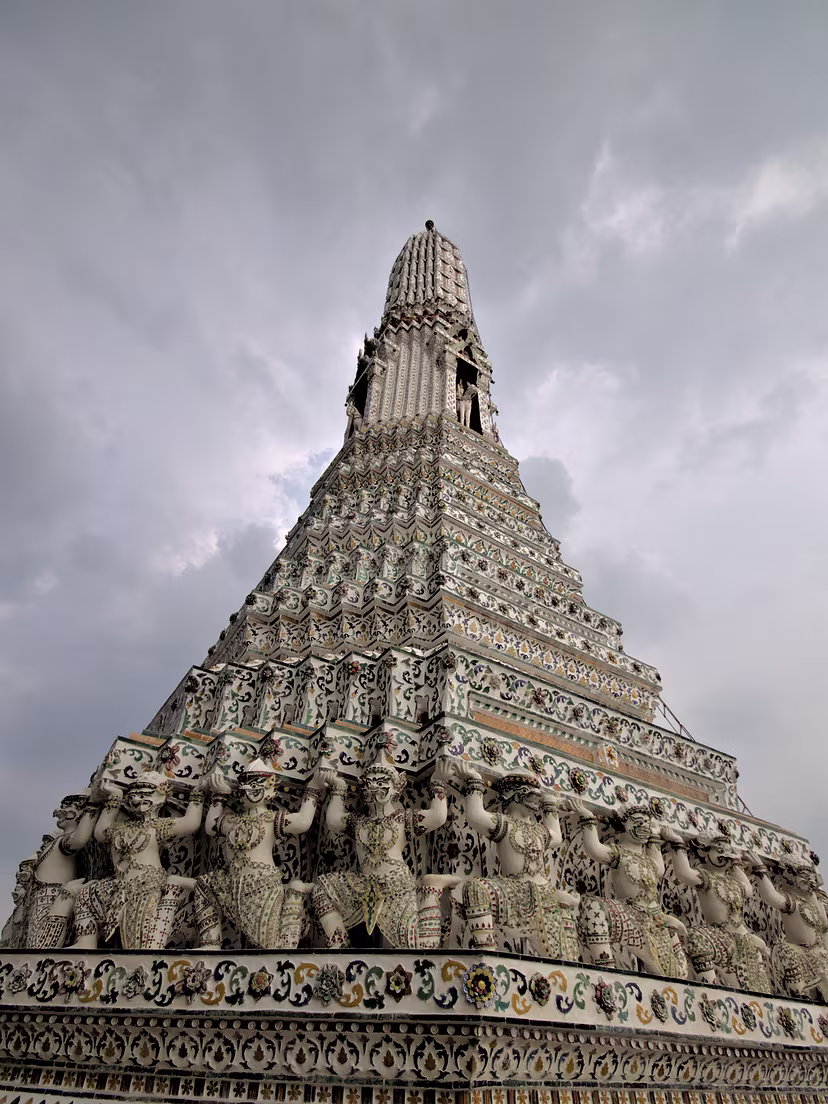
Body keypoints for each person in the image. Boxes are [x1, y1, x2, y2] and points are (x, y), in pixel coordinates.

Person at [312, 754, 456, 948]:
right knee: (322, 887)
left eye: (381, 782)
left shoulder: (403, 819)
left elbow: (437, 817)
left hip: (396, 885)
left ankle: (432, 888)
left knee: (421, 947)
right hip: (363, 886)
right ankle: (338, 943)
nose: (374, 787)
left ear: (396, 787)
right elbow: (333, 820)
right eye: (369, 783)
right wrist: (339, 787)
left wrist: (438, 781)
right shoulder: (357, 821)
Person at [194, 759, 328, 949]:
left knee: (272, 945)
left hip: (262, 885)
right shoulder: (232, 821)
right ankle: (211, 942)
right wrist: (220, 795)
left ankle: (295, 896)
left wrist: (313, 788)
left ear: (271, 792)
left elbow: (303, 821)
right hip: (231, 885)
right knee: (204, 884)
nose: (250, 791)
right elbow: (210, 827)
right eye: (246, 788)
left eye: (257, 786)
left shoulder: (271, 819)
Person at [454, 764, 580, 959]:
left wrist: (550, 804)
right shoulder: (504, 823)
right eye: (531, 795)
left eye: (538, 797)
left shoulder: (540, 831)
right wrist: (475, 781)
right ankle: (486, 952)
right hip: (511, 891)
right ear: (513, 795)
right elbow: (475, 816)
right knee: (475, 887)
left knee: (561, 959)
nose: (536, 801)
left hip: (543, 896)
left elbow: (557, 836)